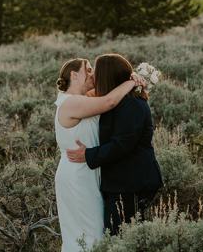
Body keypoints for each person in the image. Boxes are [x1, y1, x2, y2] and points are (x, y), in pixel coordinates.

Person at [54, 57, 138, 252]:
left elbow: (108, 95)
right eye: (88, 70)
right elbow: (110, 101)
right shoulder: (70, 103)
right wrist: (133, 81)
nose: (93, 74)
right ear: (74, 75)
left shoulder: (81, 99)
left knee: (89, 232)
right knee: (87, 234)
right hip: (77, 176)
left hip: (87, 172)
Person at [66, 53, 163, 235]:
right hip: (121, 182)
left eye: (96, 72)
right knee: (120, 237)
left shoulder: (132, 104)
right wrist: (131, 81)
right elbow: (82, 96)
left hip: (131, 183)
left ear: (106, 76)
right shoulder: (116, 100)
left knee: (123, 238)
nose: (93, 75)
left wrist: (88, 155)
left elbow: (122, 145)